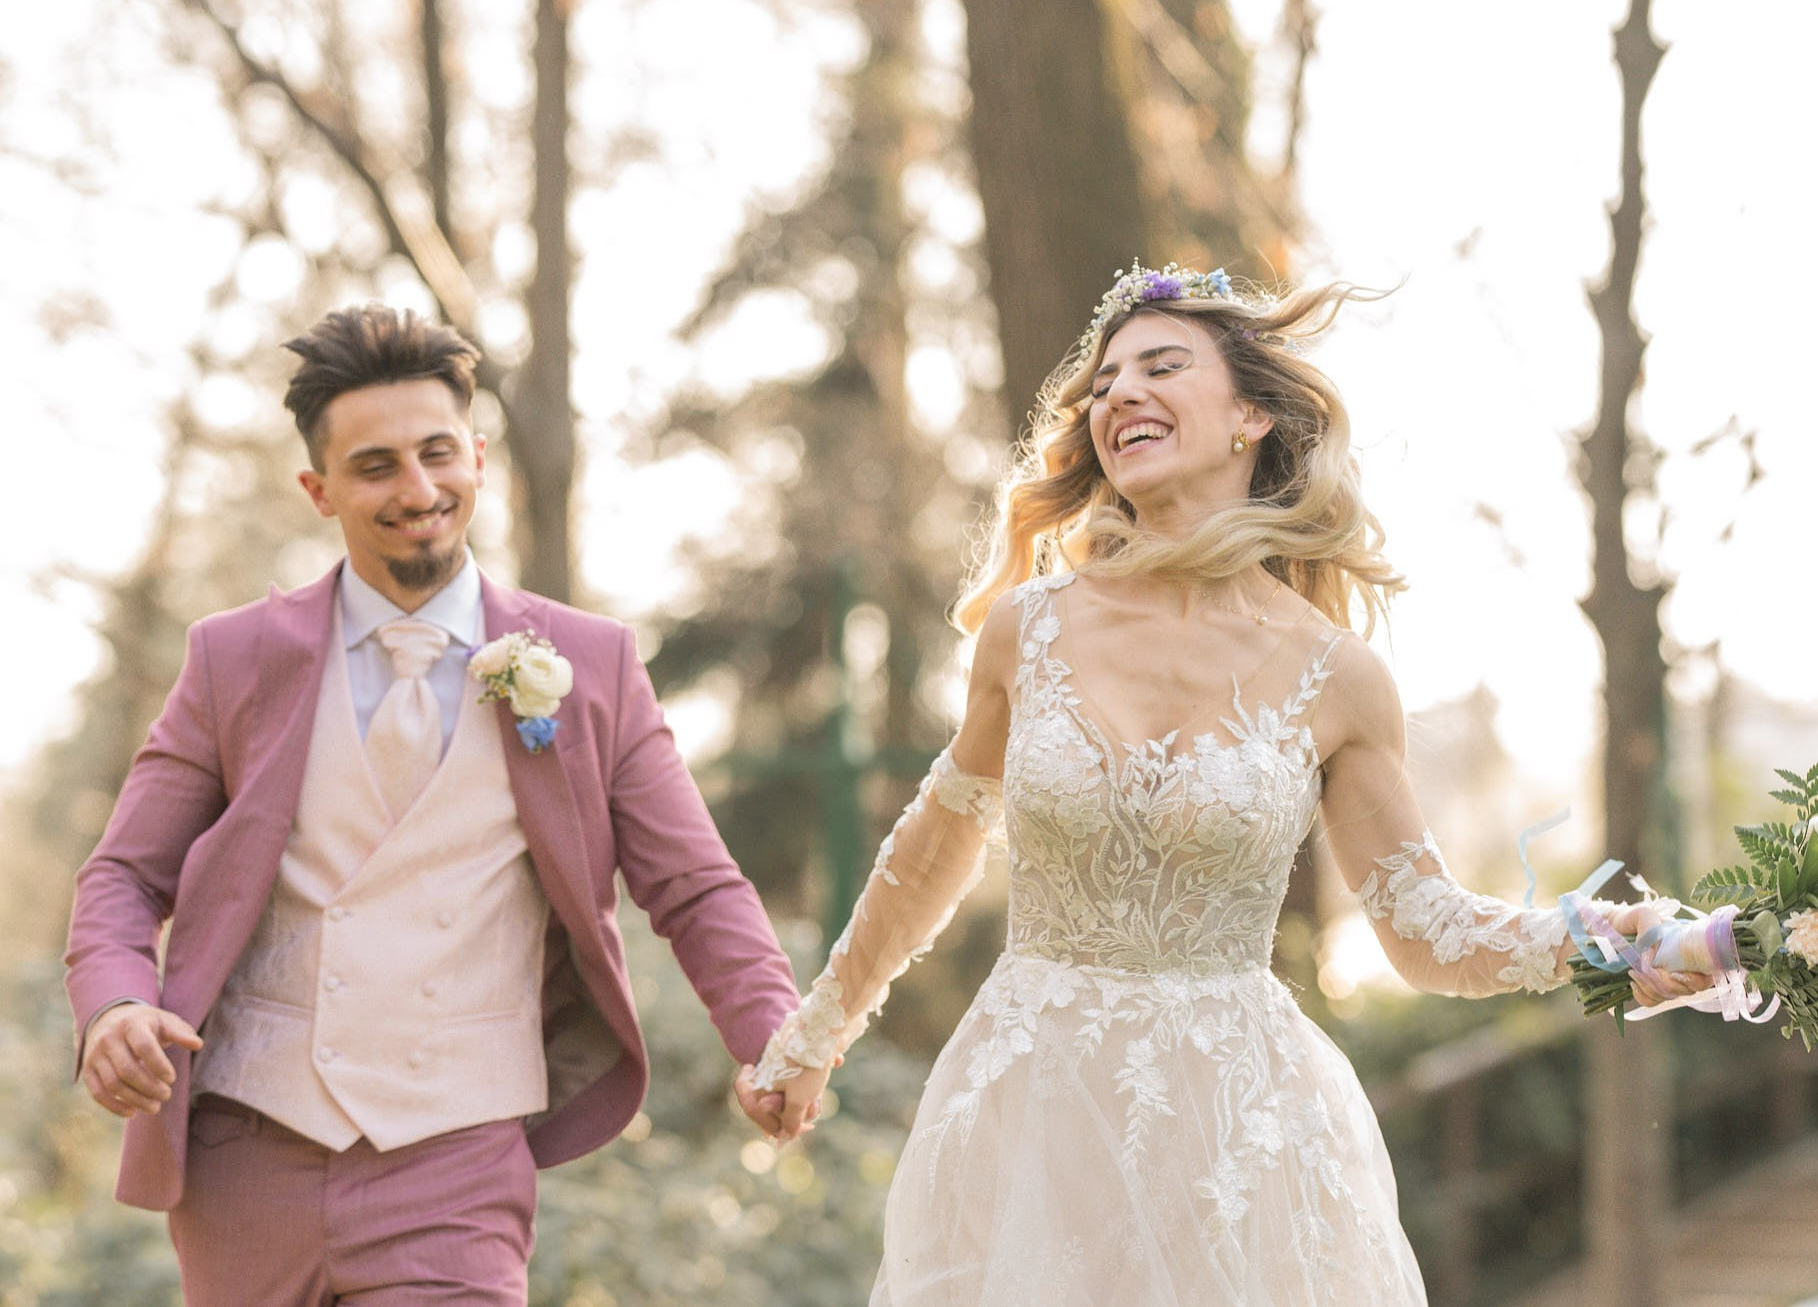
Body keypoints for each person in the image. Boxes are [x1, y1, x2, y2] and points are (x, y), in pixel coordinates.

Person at [745, 264, 1687, 1303]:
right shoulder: (1029, 628)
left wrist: (1601, 943)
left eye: (1158, 367)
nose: (1117, 396)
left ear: (1248, 416)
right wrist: (814, 1032)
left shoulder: (1338, 678)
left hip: (1237, 1144)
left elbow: (1426, 932)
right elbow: (935, 843)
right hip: (1031, 1123)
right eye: (1102, 384)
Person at [64, 303, 803, 1304]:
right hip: (247, 1147)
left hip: (452, 1159)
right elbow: (124, 874)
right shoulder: (232, 658)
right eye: (376, 468)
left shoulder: (589, 665)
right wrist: (115, 1004)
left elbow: (693, 883)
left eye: (437, 454)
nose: (418, 491)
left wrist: (774, 1031)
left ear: (480, 457)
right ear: (317, 489)